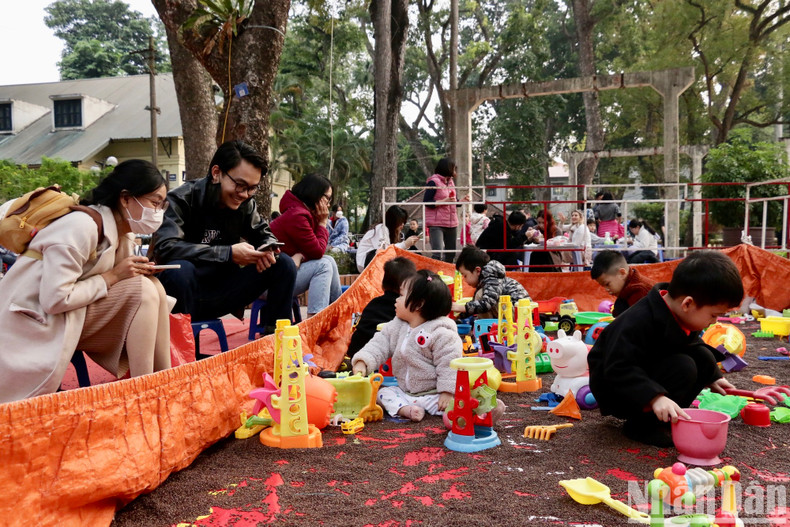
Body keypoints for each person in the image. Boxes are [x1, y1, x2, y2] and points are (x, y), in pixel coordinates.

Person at [0, 160, 172, 403]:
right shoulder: (80, 227)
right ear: (125, 199)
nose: (158, 212)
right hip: (34, 319)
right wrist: (112, 276)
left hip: (69, 313)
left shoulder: (121, 230)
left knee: (153, 287)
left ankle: (167, 381)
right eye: (154, 203)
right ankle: (144, 395)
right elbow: (54, 299)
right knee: (142, 291)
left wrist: (131, 271)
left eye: (161, 205)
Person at [587, 250, 744, 447]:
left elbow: (694, 345)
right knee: (683, 365)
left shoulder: (677, 314)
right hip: (616, 387)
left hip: (643, 371)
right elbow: (618, 368)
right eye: (713, 315)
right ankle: (640, 425)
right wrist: (654, 397)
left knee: (702, 355)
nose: (715, 321)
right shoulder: (638, 320)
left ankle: (670, 416)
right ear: (688, 303)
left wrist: (713, 377)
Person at [151, 140, 297, 333]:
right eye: (240, 185)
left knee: (283, 264)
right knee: (179, 270)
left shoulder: (245, 203)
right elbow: (166, 248)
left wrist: (267, 248)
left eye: (252, 188)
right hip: (182, 294)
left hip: (223, 292)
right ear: (216, 173)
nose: (244, 194)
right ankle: (183, 355)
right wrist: (227, 253)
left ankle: (277, 341)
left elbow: (263, 232)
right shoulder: (180, 199)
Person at [352, 269, 505, 423]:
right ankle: (407, 410)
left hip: (435, 394)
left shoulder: (441, 332)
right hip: (406, 393)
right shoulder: (397, 326)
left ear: (418, 304)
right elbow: (379, 344)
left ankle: (483, 410)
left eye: (401, 295)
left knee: (454, 410)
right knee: (381, 393)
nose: (396, 300)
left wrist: (447, 391)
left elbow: (449, 363)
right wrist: (363, 361)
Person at [270, 173, 342, 317]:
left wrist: (300, 256)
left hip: (281, 276)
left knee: (330, 260)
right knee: (323, 265)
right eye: (327, 198)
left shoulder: (301, 212)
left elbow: (314, 248)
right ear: (315, 195)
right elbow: (317, 251)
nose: (328, 204)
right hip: (270, 284)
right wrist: (322, 223)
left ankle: (337, 315)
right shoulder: (297, 215)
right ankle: (315, 322)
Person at [346, 256, 417, 360]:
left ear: (384, 283)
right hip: (378, 357)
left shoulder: (373, 303)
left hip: (357, 351)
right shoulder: (405, 308)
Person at [451, 245, 528, 319]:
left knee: (480, 296)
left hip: (521, 314)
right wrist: (458, 318)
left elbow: (486, 304)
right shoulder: (486, 279)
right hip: (516, 312)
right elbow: (474, 306)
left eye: (465, 276)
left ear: (477, 270)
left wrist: (461, 307)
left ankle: (487, 329)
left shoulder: (492, 278)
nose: (464, 280)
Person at [424, 157, 466, 263]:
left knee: (451, 253)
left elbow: (453, 201)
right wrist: (445, 200)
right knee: (437, 253)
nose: (455, 171)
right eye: (453, 168)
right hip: (436, 223)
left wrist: (461, 201)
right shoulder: (433, 182)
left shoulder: (451, 182)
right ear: (447, 169)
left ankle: (448, 275)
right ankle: (436, 275)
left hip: (452, 223)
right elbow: (426, 202)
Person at [591, 250, 655, 317]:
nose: (607, 289)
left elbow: (636, 324)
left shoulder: (640, 291)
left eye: (607, 284)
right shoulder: (626, 290)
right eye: (603, 286)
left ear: (622, 273)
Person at [356, 205, 420, 272]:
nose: (402, 225)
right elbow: (385, 251)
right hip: (366, 265)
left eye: (404, 222)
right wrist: (405, 244)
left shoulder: (389, 231)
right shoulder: (381, 229)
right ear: (394, 222)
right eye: (400, 222)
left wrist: (407, 244)